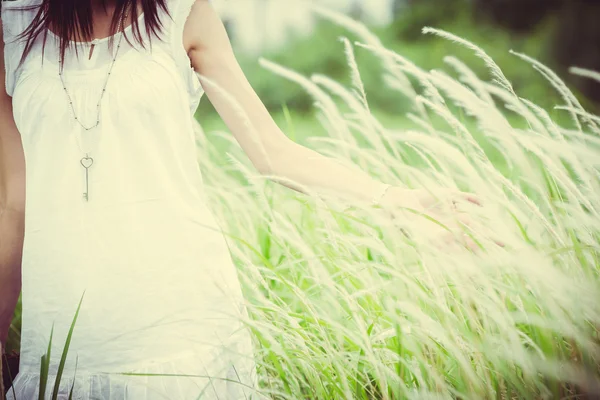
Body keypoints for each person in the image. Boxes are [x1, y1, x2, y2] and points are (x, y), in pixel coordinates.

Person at [0, 0, 489, 398]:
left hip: (181, 322)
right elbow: (13, 205)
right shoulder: (12, 28)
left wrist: (399, 203)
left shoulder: (182, 14)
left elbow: (273, 153)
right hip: (61, 338)